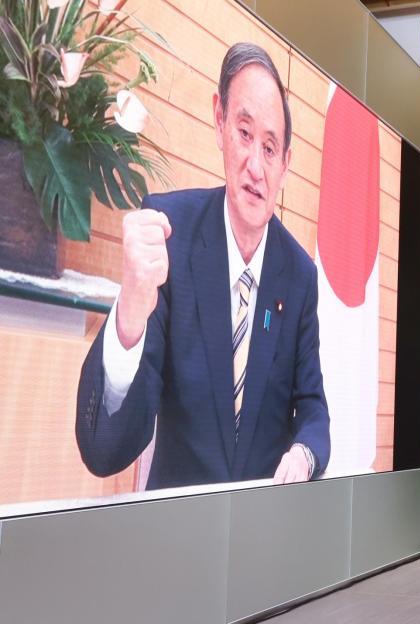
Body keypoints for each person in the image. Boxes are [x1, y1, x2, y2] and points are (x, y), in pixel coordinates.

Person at [75, 43, 330, 490]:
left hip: (261, 533)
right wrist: (131, 309)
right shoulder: (172, 235)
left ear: (286, 165)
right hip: (177, 532)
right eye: (245, 133)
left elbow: (312, 406)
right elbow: (105, 449)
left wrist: (305, 454)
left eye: (270, 149)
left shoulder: (300, 274)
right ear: (219, 122)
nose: (255, 165)